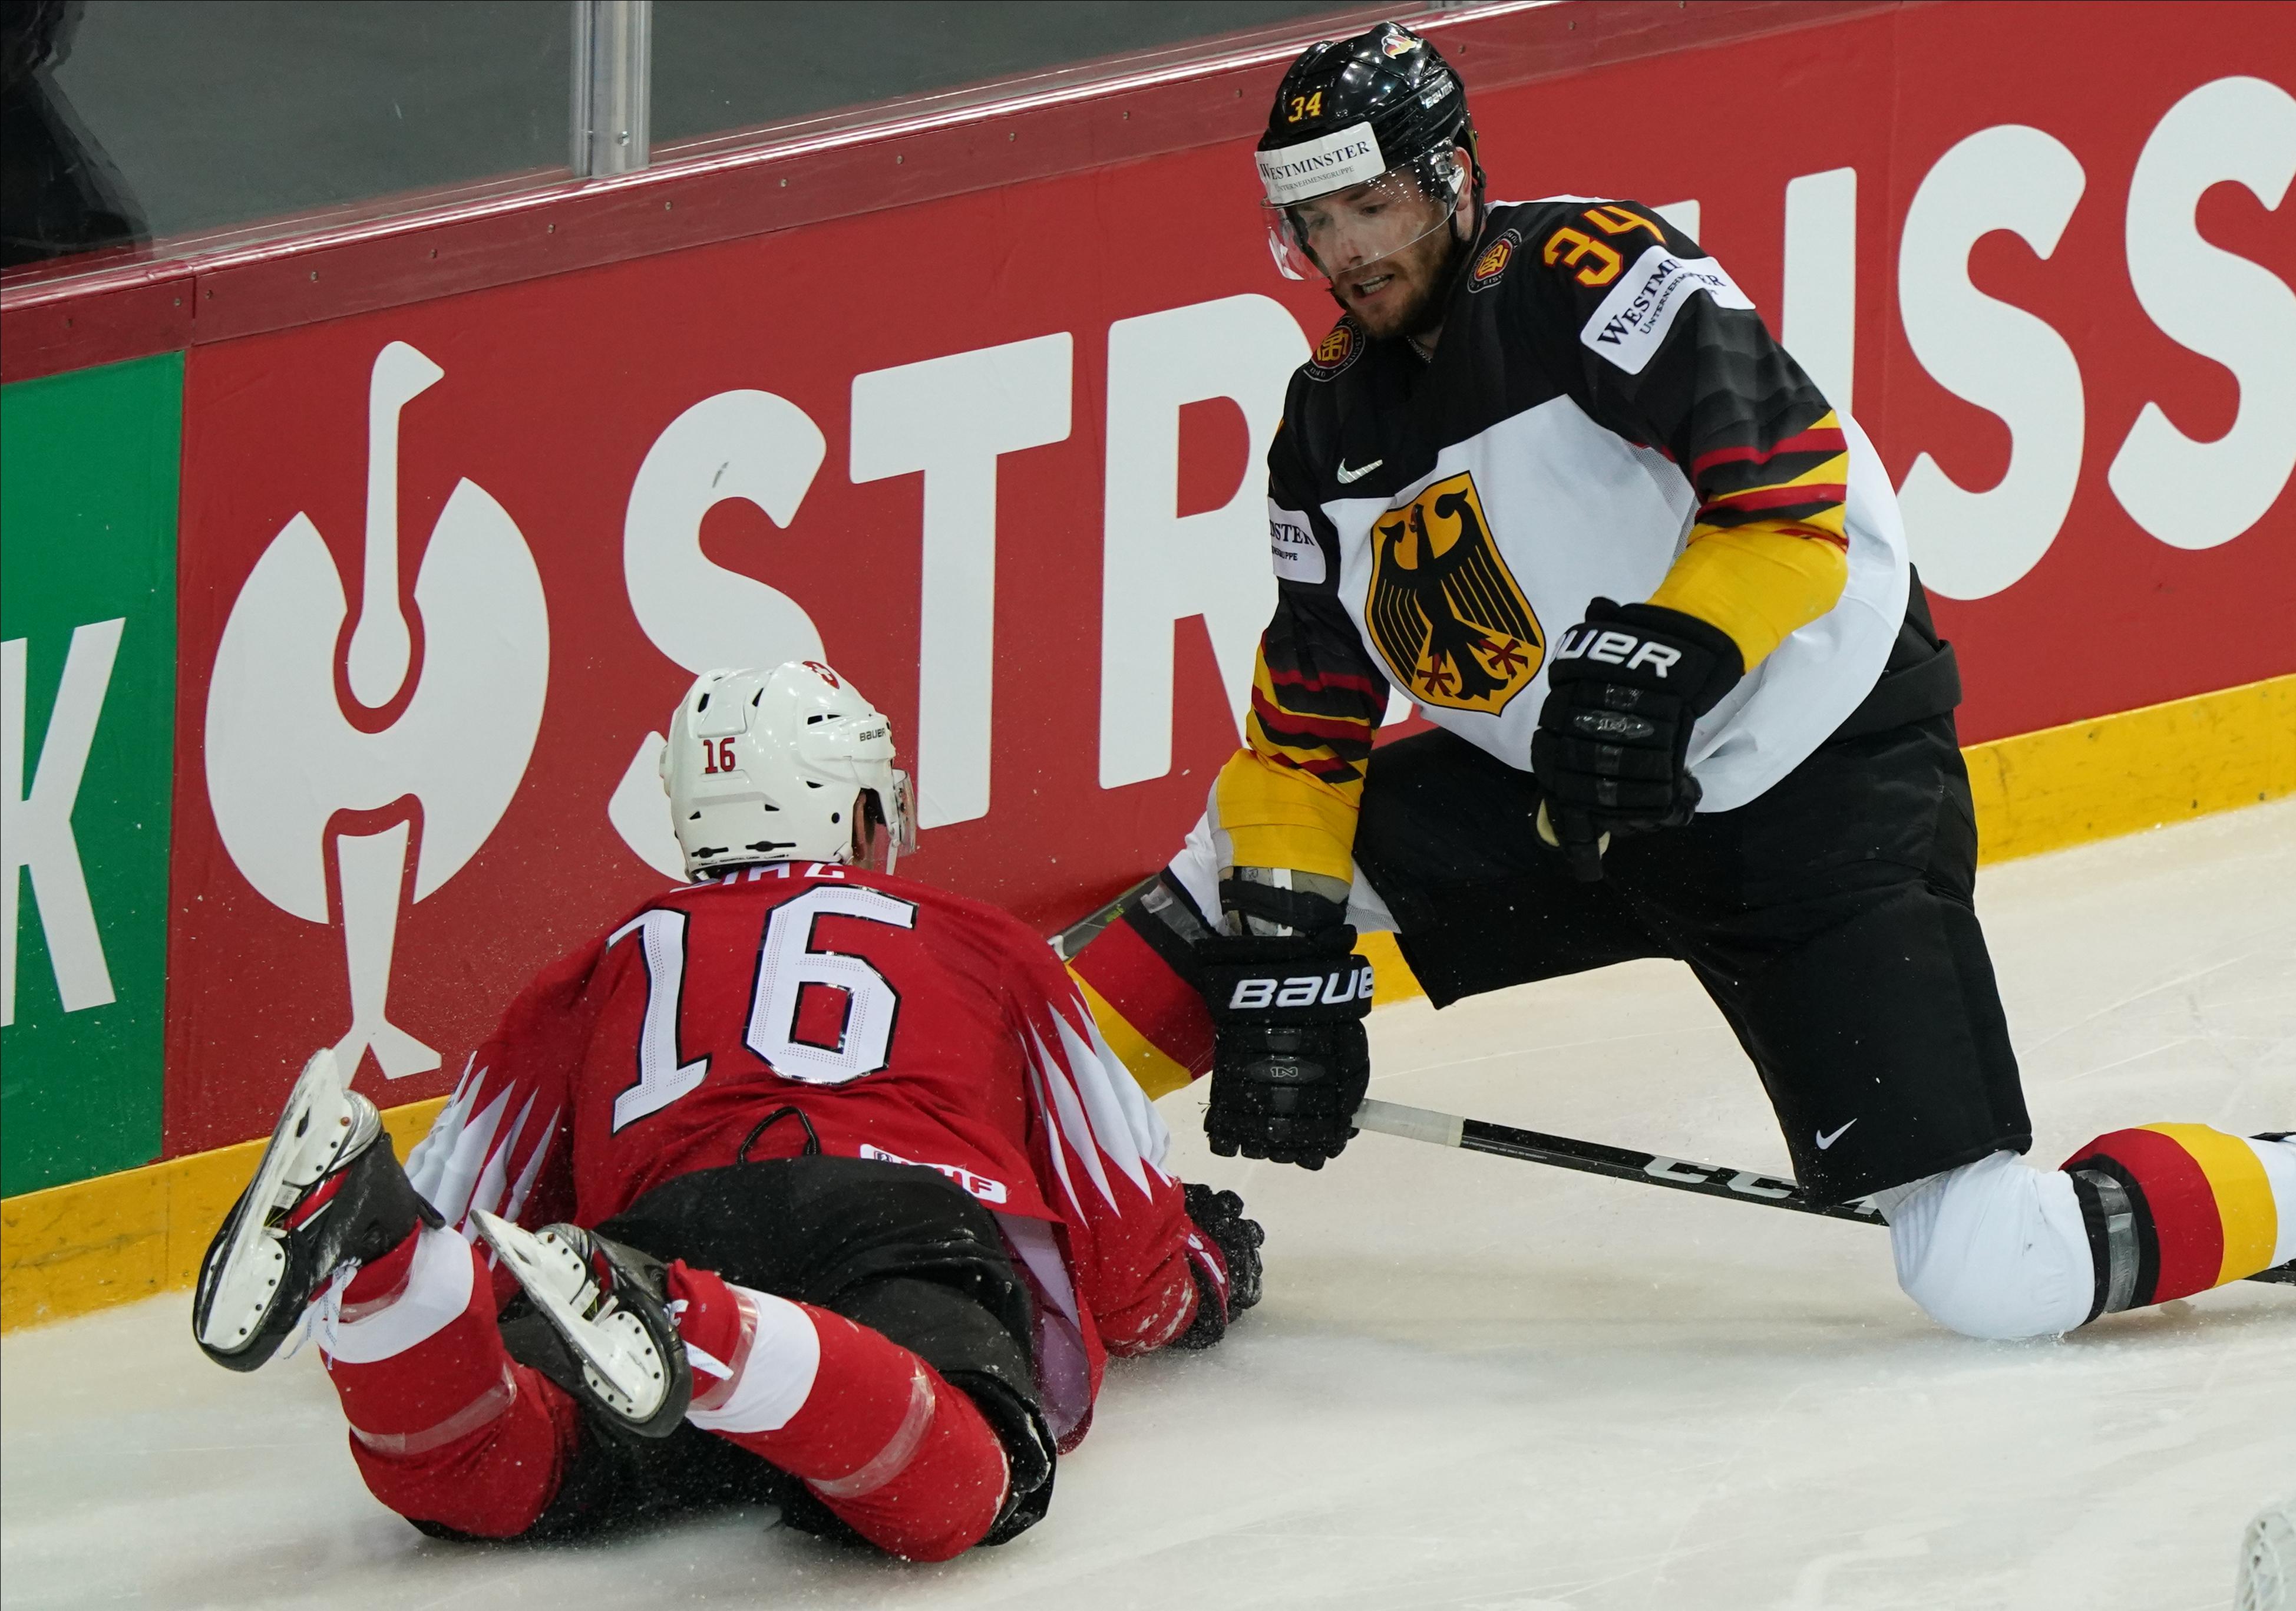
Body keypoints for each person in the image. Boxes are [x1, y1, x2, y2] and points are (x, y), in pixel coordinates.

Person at [1069, 21, 2292, 1342]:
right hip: (1575, 803)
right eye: (1315, 222)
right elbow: (1303, 739)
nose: (1348, 250)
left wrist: (1667, 654)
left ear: (1452, 177)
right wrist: (1282, 964)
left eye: (1373, 204)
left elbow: (1786, 492)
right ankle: (990, 1137)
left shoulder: (1582, 270)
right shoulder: (1324, 427)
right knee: (1238, 883)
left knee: (1997, 1272)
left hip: (1814, 796)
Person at [194, 660, 1263, 1561]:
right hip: (894, 1224)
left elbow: (469, 1220)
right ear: (858, 809)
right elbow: (1125, 1251)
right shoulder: (988, 944)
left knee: (490, 1470)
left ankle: (375, 1263)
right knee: (961, 1488)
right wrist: (1204, 1277)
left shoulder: (596, 967)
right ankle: (703, 1328)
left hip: (665, 1224)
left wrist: (427, 1261)